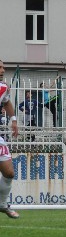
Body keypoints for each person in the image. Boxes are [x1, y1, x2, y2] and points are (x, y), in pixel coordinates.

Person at [0, 60, 20, 219]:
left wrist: (13, 119)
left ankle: (2, 204)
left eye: (3, 67)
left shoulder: (4, 87)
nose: (3, 70)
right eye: (0, 67)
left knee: (9, 173)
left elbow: (6, 102)